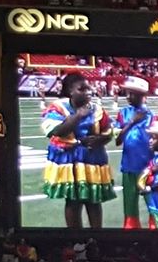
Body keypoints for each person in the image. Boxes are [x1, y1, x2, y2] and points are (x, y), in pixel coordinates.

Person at [41, 72, 116, 228]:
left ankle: (96, 239)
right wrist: (78, 116)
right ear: (70, 91)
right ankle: (76, 240)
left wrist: (100, 139)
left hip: (93, 159)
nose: (88, 92)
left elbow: (109, 131)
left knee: (94, 201)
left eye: (88, 88)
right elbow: (56, 131)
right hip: (71, 161)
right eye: (82, 89)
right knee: (73, 201)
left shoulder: (97, 109)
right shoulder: (59, 108)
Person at [114, 76, 154, 229]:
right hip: (129, 165)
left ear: (143, 96)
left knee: (152, 202)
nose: (129, 97)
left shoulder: (151, 116)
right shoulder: (123, 113)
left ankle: (155, 229)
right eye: (127, 93)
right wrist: (131, 122)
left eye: (133, 94)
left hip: (148, 166)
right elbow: (118, 141)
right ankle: (131, 229)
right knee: (130, 203)